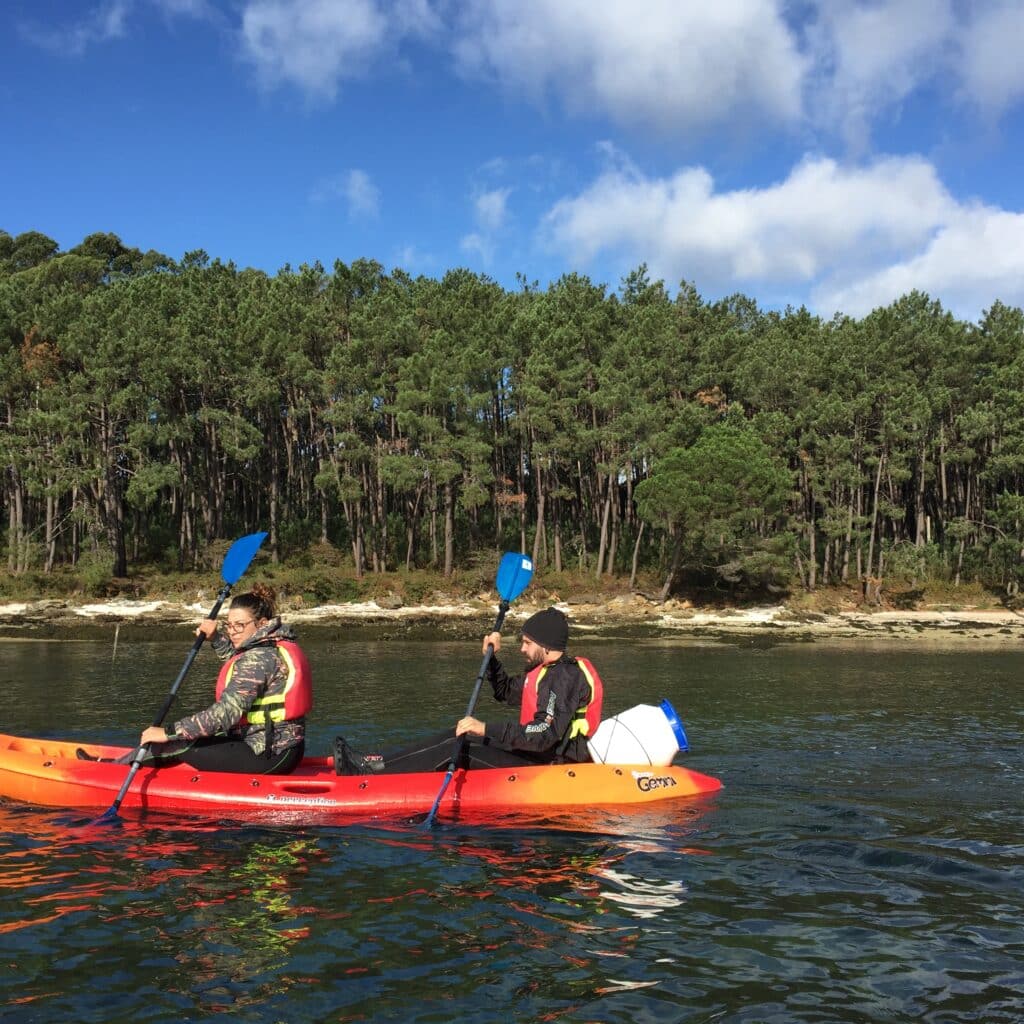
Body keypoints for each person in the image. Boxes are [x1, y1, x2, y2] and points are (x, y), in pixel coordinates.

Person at [79, 583, 311, 774]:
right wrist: (216, 638)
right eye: (229, 625)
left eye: (239, 625)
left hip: (268, 755)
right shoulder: (271, 645)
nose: (232, 631)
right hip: (283, 747)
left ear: (261, 624)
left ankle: (110, 772)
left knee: (180, 743)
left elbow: (225, 714)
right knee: (187, 738)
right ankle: (124, 763)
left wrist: (168, 732)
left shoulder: (259, 657)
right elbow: (240, 662)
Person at [339, 607, 603, 775]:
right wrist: (491, 659)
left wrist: (486, 729)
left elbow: (544, 734)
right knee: (458, 733)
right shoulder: (544, 672)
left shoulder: (565, 677)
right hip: (533, 753)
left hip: (550, 765)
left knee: (464, 747)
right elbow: (504, 691)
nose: (522, 649)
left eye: (527, 643)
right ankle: (375, 762)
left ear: (545, 645)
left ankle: (371, 773)